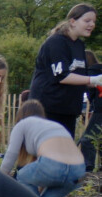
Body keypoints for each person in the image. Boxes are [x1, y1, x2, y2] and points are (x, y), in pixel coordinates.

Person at [0, 100, 91, 197]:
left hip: (53, 165)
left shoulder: (23, 124)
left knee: (22, 175)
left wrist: (0, 177)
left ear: (21, 115)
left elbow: (11, 155)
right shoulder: (54, 126)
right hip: (78, 170)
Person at [30, 3, 100, 137]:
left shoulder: (79, 45)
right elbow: (62, 76)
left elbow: (82, 78)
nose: (92, 24)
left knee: (65, 153)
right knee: (48, 152)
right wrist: (93, 79)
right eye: (87, 21)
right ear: (72, 22)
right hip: (48, 108)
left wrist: (97, 82)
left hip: (69, 110)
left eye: (94, 21)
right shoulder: (56, 43)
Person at [80, 49, 101, 171]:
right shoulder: (99, 71)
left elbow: (91, 91)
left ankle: (88, 166)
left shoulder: (91, 73)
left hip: (99, 108)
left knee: (88, 138)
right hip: (99, 107)